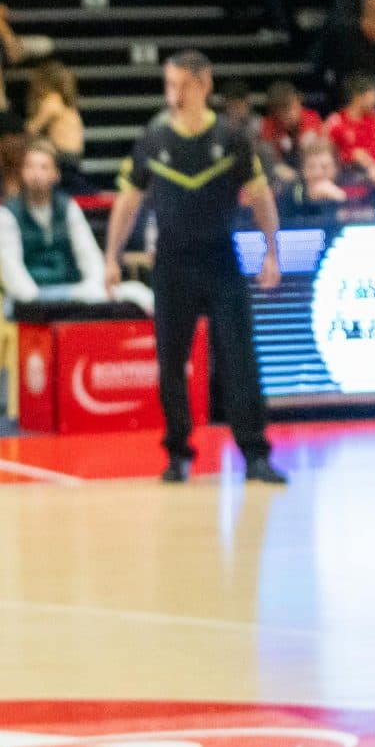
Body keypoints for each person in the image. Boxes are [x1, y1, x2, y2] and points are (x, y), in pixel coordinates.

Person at [103, 52, 286, 485]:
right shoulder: (152, 140)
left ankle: (255, 453)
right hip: (172, 264)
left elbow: (261, 198)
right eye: (168, 84)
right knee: (171, 362)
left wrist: (272, 252)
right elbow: (127, 203)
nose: (172, 92)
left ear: (204, 85)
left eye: (180, 83)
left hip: (221, 260)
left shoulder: (233, 138)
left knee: (240, 359)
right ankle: (178, 454)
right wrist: (111, 256)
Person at [0, 140, 151, 310]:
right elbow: (12, 272)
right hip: (30, 299)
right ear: (22, 172)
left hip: (71, 292)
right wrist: (36, 303)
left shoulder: (68, 206)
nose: (36, 174)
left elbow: (88, 254)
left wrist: (93, 289)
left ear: (56, 174)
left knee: (140, 294)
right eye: (30, 167)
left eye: (43, 167)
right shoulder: (6, 213)